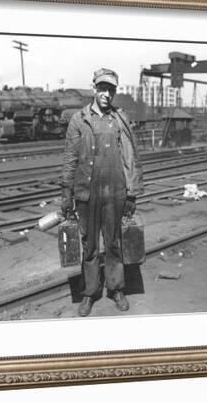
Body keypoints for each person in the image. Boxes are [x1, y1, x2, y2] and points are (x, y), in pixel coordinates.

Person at [61, 68, 142, 317]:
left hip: (115, 192)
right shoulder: (79, 119)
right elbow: (70, 159)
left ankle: (116, 288)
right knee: (90, 246)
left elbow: (130, 157)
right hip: (87, 193)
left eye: (111, 90)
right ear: (94, 88)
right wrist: (67, 193)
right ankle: (90, 292)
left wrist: (132, 193)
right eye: (102, 88)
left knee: (114, 243)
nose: (106, 94)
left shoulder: (120, 119)